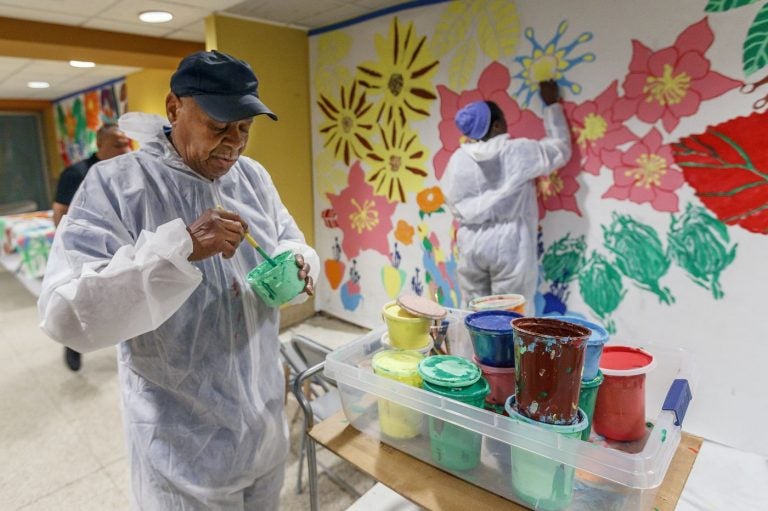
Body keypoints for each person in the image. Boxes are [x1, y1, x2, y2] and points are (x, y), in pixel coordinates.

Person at [38, 50, 319, 510]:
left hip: (262, 421)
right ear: (174, 108)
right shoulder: (116, 186)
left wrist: (297, 259)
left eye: (244, 129)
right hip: (182, 446)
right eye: (219, 126)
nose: (234, 144)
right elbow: (66, 314)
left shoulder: (252, 178)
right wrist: (180, 249)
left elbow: (287, 236)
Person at [442, 80, 571, 311]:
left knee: (472, 312)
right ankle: (510, 349)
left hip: (470, 241)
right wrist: (552, 106)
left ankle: (472, 349)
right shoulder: (516, 151)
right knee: (512, 315)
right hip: (510, 243)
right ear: (497, 126)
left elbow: (454, 203)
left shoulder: (458, 160)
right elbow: (560, 149)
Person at [52, 122, 132, 371]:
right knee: (84, 301)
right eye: (118, 144)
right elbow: (60, 211)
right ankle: (73, 346)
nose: (125, 148)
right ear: (100, 144)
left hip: (120, 246)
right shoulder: (76, 173)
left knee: (122, 298)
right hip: (85, 249)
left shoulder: (126, 170)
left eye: (127, 143)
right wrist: (67, 250)